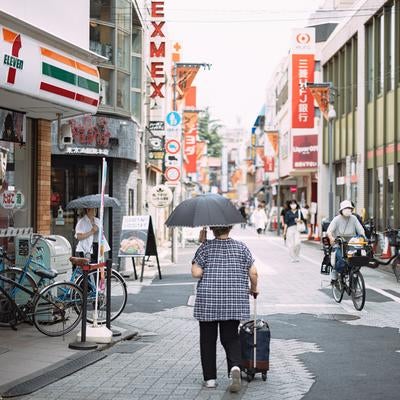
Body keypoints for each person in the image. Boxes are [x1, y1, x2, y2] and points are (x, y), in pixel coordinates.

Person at [191, 225, 258, 392]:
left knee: (207, 340)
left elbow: (196, 273)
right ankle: (235, 367)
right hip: (233, 300)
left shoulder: (205, 247)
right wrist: (254, 288)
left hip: (209, 300)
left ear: (213, 229)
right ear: (231, 228)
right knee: (230, 338)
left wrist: (201, 245)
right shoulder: (241, 247)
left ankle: (210, 380)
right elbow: (254, 272)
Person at [326, 200, 365, 282]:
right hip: (339, 243)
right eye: (346, 208)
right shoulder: (336, 219)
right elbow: (329, 231)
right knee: (342, 260)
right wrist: (331, 238)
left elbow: (361, 230)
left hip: (352, 243)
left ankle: (353, 275)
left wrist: (364, 238)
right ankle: (335, 271)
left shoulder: (354, 218)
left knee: (357, 260)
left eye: (349, 208)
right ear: (341, 210)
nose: (348, 210)